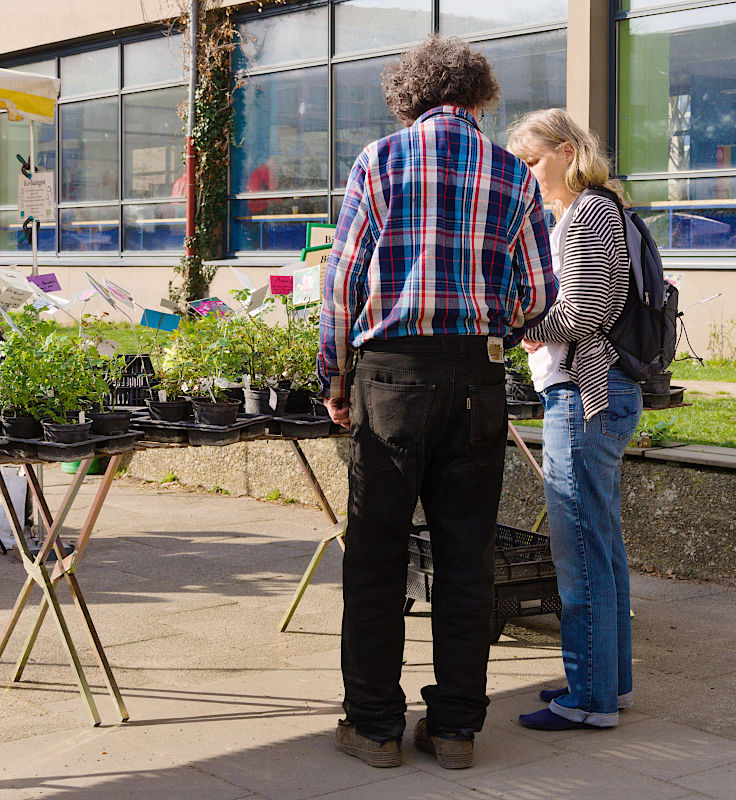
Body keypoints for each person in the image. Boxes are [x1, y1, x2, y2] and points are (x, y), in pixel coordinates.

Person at [317, 36, 556, 769]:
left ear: (409, 97)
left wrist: (335, 380)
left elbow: (342, 283)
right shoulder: (513, 173)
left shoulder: (379, 160)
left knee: (377, 556)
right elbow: (539, 294)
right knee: (465, 555)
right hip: (477, 377)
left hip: (391, 376)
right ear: (479, 97)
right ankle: (454, 728)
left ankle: (375, 727)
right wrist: (496, 326)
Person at [506, 108, 643, 731]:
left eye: (532, 160)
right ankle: (607, 682)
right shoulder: (596, 209)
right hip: (601, 392)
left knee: (581, 548)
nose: (526, 173)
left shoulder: (587, 211)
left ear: (567, 151)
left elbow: (587, 311)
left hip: (584, 395)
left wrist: (526, 326)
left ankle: (589, 702)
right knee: (602, 545)